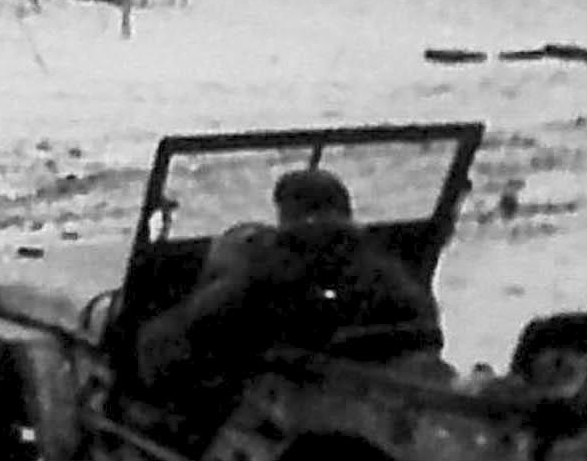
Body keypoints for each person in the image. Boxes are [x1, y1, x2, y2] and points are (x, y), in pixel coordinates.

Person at [140, 165, 445, 400]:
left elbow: (206, 319)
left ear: (289, 212)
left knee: (160, 339)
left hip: (301, 387)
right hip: (377, 379)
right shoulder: (379, 262)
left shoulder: (275, 266)